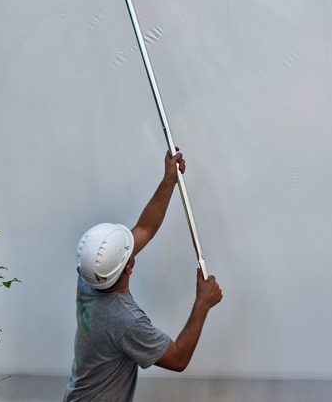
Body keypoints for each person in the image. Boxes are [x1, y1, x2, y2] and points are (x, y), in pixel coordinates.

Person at [63, 150, 223, 402]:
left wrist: (168, 180)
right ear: (129, 267)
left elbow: (145, 228)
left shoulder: (88, 276)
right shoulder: (125, 320)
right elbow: (178, 358)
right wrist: (202, 303)